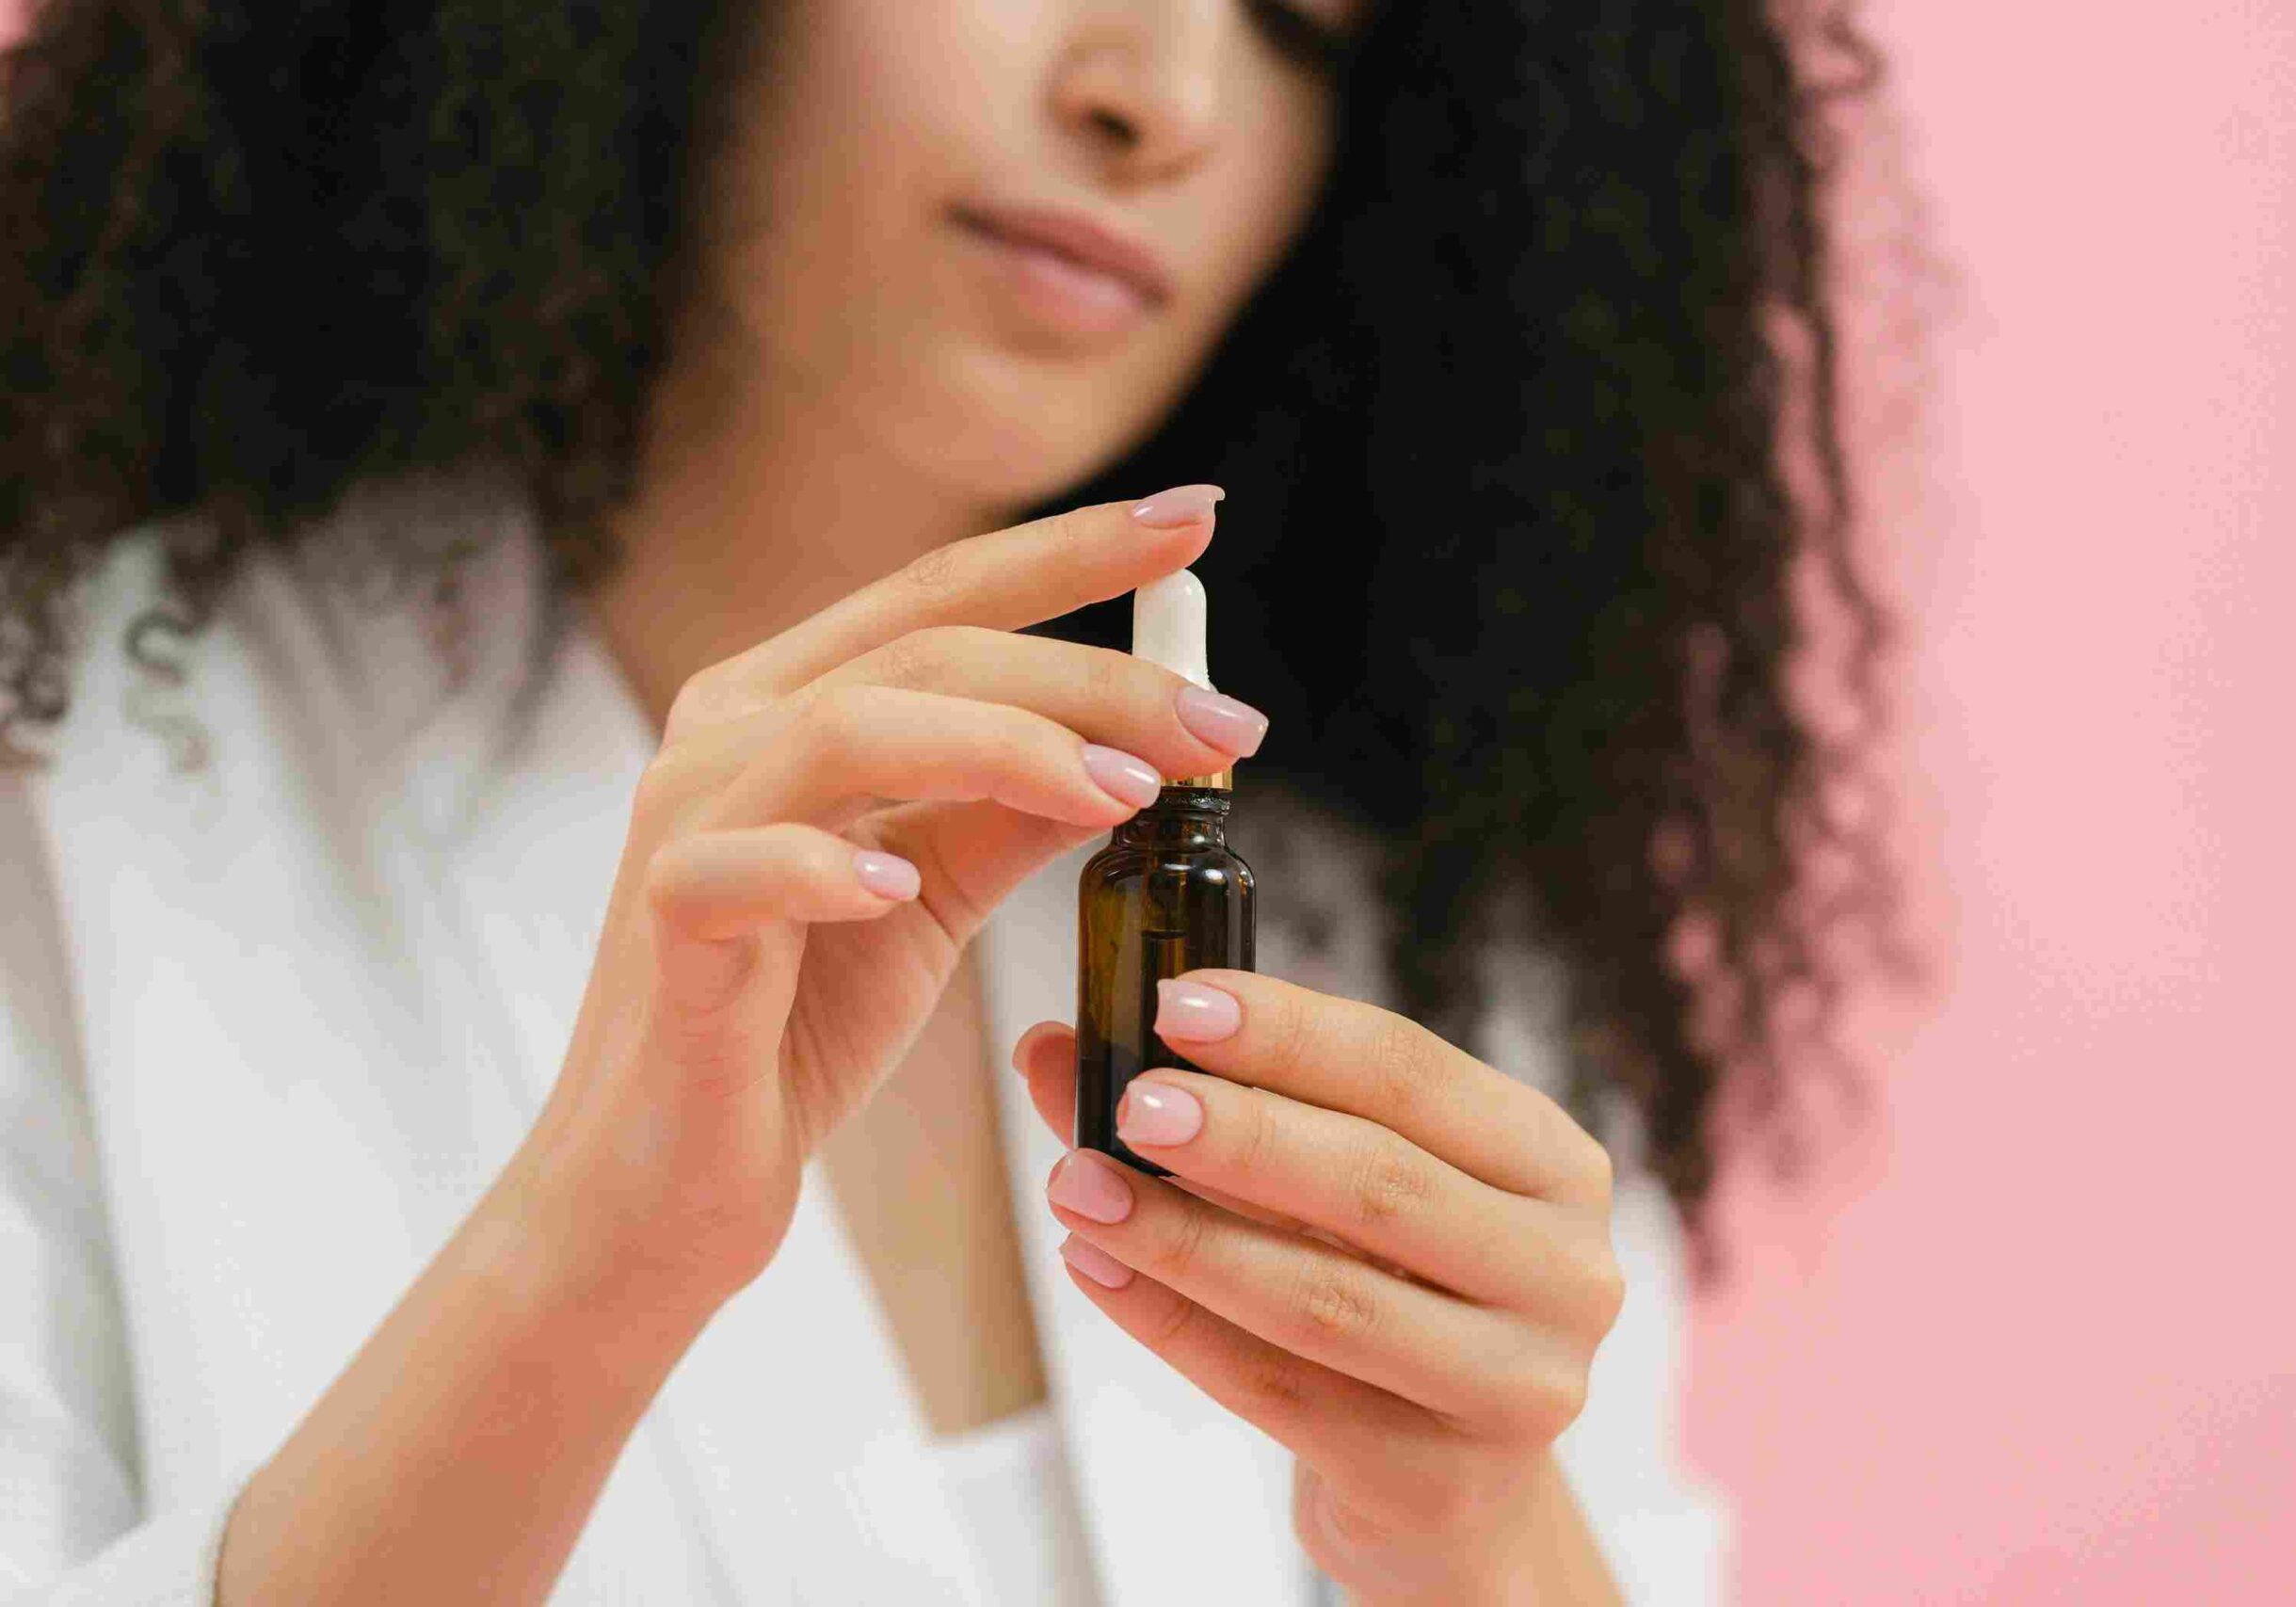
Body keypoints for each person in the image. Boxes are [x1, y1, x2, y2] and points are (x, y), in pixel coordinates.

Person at [0, 1, 1902, 1602]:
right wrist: (576, 1280)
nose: (1158, 93)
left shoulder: (1390, 950)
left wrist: (1473, 1527)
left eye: (1305, 22)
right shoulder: (68, 790)